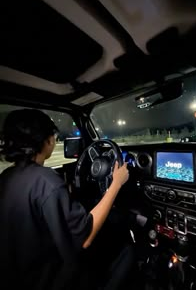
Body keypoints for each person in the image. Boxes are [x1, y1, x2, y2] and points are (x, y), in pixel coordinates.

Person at [0, 109, 129, 290]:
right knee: (126, 247)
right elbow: (86, 238)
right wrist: (116, 183)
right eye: (52, 135)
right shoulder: (46, 180)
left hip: (18, 276)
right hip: (53, 280)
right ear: (47, 140)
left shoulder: (6, 176)